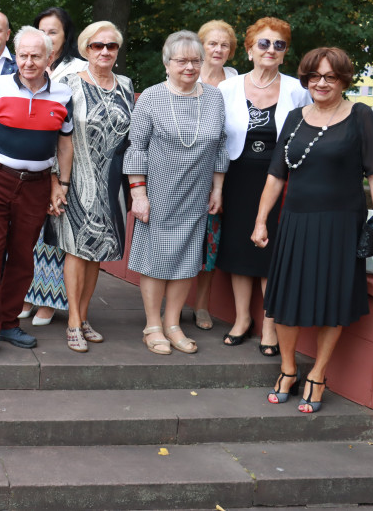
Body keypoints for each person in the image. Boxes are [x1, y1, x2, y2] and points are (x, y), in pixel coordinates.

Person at [253, 47, 373, 413]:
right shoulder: (295, 118)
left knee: (331, 301)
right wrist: (261, 219)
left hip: (340, 224)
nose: (321, 83)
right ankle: (287, 369)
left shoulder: (360, 116)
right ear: (306, 79)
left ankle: (318, 373)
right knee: (284, 300)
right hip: (295, 221)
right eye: (314, 76)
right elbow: (275, 174)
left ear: (344, 79)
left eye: (330, 76)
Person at [0, 27, 74, 364]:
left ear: (49, 58)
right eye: (23, 55)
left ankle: (9, 322)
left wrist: (63, 183)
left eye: (36, 56)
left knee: (22, 257)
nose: (28, 62)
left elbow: (65, 142)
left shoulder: (62, 94)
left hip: (37, 183)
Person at [124, 30, 228, 356]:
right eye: (181, 60)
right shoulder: (152, 98)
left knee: (186, 260)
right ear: (167, 63)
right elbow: (136, 149)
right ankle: (152, 325)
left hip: (197, 194)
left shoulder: (213, 98)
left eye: (196, 60)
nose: (189, 67)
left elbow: (221, 145)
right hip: (158, 191)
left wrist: (218, 188)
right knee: (156, 259)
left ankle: (173, 324)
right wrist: (139, 195)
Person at [217, 17, 310, 354]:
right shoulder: (227, 89)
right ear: (249, 49)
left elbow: (307, 135)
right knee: (239, 248)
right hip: (237, 176)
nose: (271, 50)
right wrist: (216, 187)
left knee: (272, 251)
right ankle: (243, 319)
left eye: (279, 45)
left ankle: (269, 325)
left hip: (281, 181)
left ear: (285, 54)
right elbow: (216, 139)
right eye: (264, 43)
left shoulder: (298, 90)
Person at [49, 21, 134, 352]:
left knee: (97, 251)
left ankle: (84, 317)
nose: (104, 52)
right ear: (85, 49)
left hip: (111, 179)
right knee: (75, 248)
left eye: (111, 46)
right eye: (97, 46)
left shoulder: (125, 85)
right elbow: (54, 134)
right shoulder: (67, 82)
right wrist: (56, 182)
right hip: (75, 177)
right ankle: (72, 321)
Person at [22, 8, 89, 326]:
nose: (47, 37)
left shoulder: (78, 70)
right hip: (29, 162)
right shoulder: (25, 66)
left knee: (54, 233)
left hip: (64, 164)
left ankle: (48, 300)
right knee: (26, 233)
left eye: (53, 32)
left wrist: (61, 177)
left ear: (66, 36)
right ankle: (25, 293)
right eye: (42, 31)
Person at [191, 19, 239, 331]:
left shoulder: (236, 81)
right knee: (177, 236)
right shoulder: (186, 73)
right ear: (201, 46)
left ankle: (201, 305)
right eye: (212, 43)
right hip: (183, 169)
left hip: (220, 169)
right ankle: (169, 303)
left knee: (210, 239)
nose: (218, 49)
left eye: (224, 44)